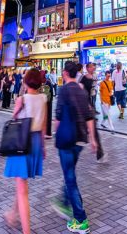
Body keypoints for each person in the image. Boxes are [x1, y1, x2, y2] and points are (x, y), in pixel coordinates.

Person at [50, 61, 97, 233]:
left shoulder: (63, 90)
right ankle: (63, 202)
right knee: (69, 174)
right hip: (80, 140)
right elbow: (89, 116)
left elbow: (58, 117)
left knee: (70, 178)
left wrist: (57, 134)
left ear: (64, 73)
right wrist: (93, 140)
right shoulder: (81, 90)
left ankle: (80, 218)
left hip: (67, 139)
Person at [3, 69, 47, 234]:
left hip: (21, 141)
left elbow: (14, 118)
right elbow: (43, 125)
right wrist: (43, 147)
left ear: (26, 81)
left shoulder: (22, 99)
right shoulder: (43, 98)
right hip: (35, 141)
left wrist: (18, 108)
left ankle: (27, 231)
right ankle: (12, 214)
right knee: (21, 183)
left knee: (22, 189)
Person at [80, 63, 105, 161]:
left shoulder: (93, 77)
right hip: (86, 105)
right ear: (87, 68)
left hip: (90, 104)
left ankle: (99, 152)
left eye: (94, 67)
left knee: (93, 128)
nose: (93, 68)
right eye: (91, 67)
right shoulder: (84, 78)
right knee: (90, 128)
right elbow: (81, 89)